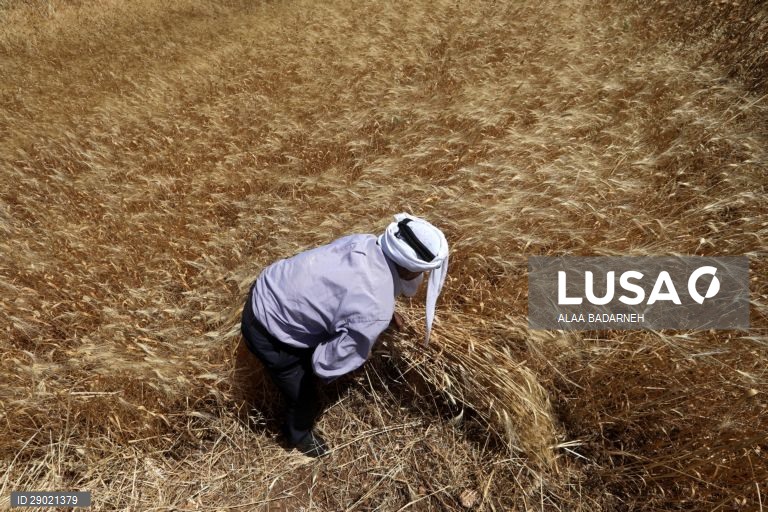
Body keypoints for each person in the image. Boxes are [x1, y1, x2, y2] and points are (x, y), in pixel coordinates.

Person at [240, 213, 449, 457]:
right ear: (412, 270)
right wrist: (363, 349)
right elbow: (325, 364)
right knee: (305, 397)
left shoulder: (365, 242)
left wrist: (376, 318)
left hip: (269, 283)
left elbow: (344, 286)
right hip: (268, 331)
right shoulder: (375, 309)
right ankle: (298, 435)